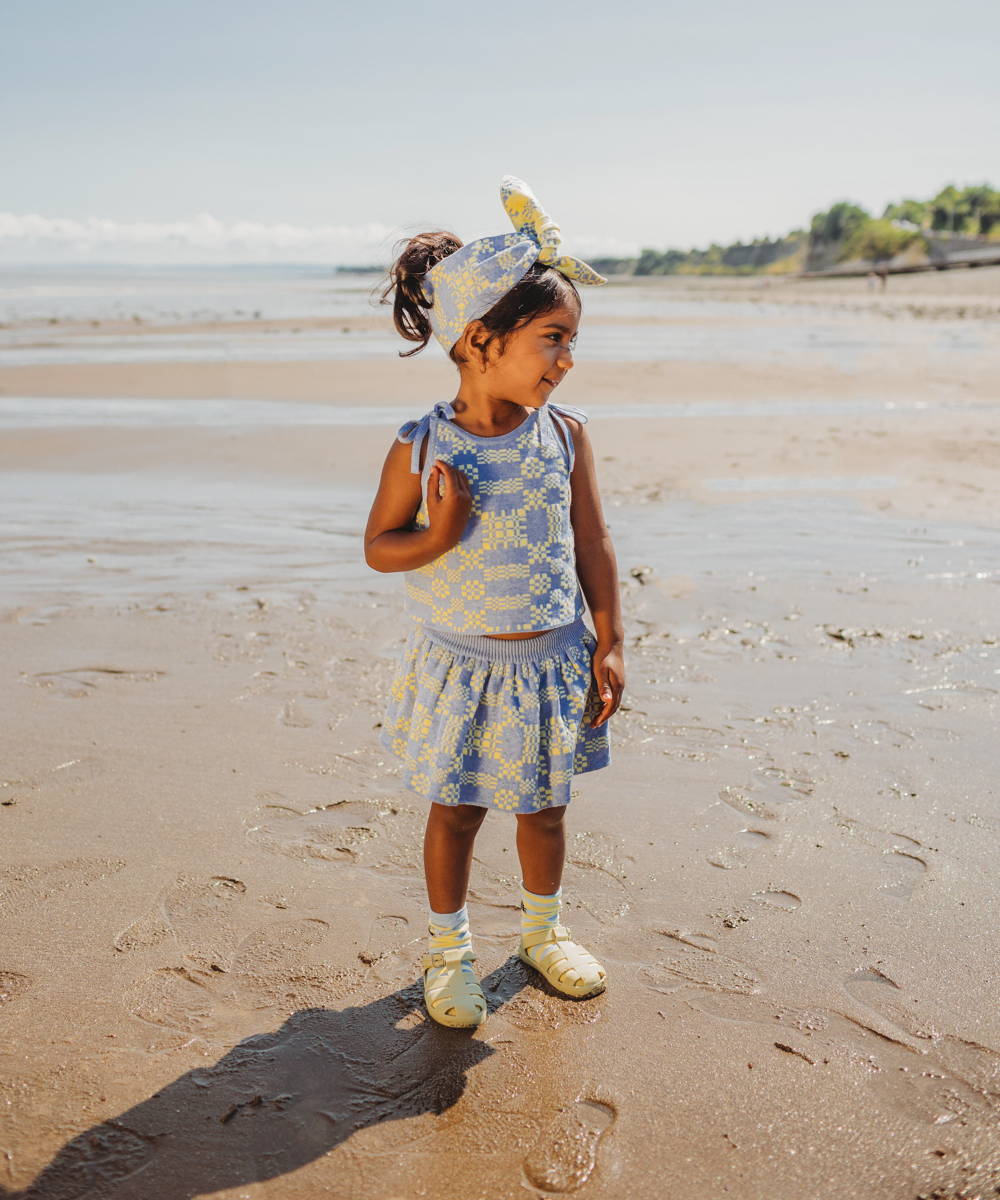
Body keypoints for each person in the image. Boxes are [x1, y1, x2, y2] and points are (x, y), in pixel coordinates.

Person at [364, 177, 625, 1029]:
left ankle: (543, 935)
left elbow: (591, 542)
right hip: (465, 666)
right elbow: (380, 547)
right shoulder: (423, 444)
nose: (567, 359)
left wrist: (610, 639)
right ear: (480, 339)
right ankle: (449, 954)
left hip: (550, 659)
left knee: (546, 810)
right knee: (459, 810)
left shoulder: (566, 433)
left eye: (572, 341)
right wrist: (441, 534)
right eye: (553, 338)